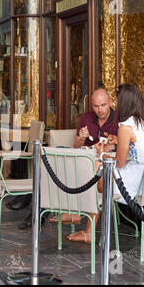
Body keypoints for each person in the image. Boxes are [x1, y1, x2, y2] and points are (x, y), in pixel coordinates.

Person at [67, 83, 144, 243]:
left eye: (117, 101)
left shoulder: (126, 126)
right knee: (99, 176)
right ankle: (83, 219)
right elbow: (138, 145)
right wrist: (118, 141)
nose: (116, 105)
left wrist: (102, 153)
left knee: (97, 173)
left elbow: (119, 163)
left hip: (138, 184)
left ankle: (87, 229)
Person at [50, 88, 119, 225]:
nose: (100, 110)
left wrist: (112, 144)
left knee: (93, 173)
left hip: (107, 167)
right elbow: (76, 146)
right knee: (63, 162)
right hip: (86, 161)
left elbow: (124, 145)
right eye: (96, 106)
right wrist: (81, 138)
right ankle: (74, 212)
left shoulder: (118, 120)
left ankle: (76, 214)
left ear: (110, 102)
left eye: (103, 105)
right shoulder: (87, 118)